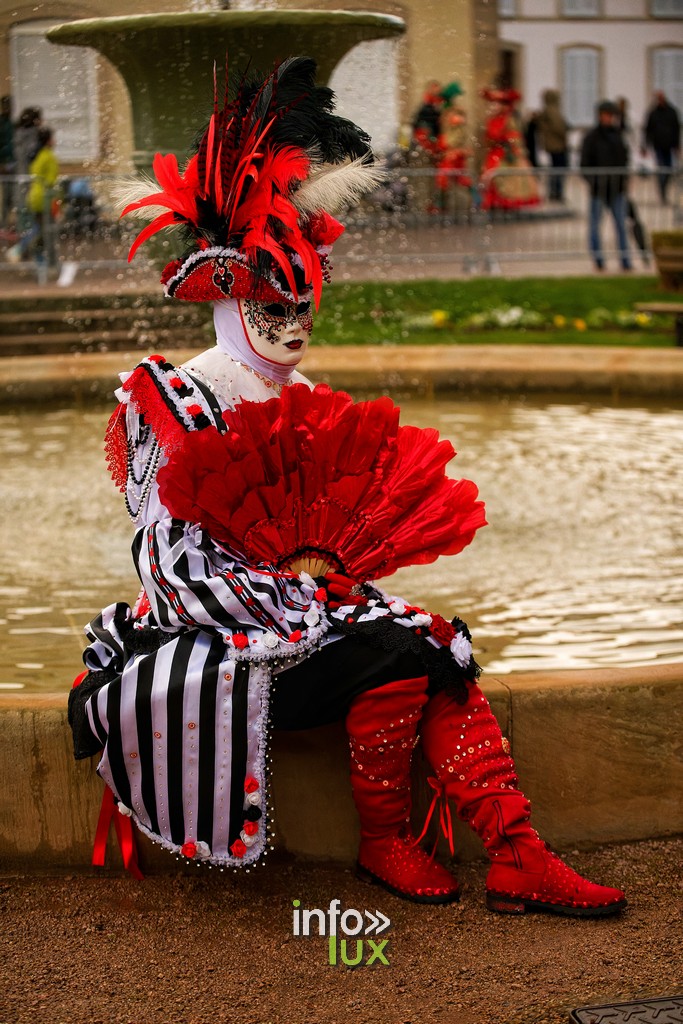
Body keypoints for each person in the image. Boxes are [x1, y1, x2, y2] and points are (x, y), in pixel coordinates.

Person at [68, 56, 626, 917]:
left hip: (294, 626)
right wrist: (313, 604)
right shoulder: (174, 401)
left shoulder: (295, 402)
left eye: (303, 311)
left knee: (434, 645)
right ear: (229, 305)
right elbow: (170, 573)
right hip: (211, 648)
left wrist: (333, 594)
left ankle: (513, 852)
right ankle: (396, 843)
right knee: (405, 646)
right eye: (270, 313)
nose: (291, 328)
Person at [580, 100, 631, 272]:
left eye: (611, 115)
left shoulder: (617, 135)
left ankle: (625, 260)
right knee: (595, 225)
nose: (608, 118)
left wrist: (624, 180)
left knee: (621, 226)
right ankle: (598, 259)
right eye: (606, 115)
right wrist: (594, 181)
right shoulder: (591, 137)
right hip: (598, 189)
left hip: (617, 188)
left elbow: (624, 159)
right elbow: (584, 164)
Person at [7, 126, 60, 281]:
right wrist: (57, 201)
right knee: (44, 232)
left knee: (40, 230)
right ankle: (20, 250)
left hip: (34, 196)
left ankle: (41, 266)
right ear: (48, 140)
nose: (54, 141)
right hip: (44, 197)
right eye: (52, 138)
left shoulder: (37, 155)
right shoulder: (49, 156)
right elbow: (50, 181)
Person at [479, 87, 540, 211]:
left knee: (506, 179)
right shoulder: (493, 120)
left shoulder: (508, 120)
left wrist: (510, 146)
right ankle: (496, 203)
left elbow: (514, 137)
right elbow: (489, 137)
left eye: (497, 103)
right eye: (492, 103)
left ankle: (506, 204)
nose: (493, 106)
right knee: (493, 177)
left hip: (506, 155)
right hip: (496, 153)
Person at [642, 90, 680, 204]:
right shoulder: (653, 113)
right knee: (662, 169)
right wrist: (645, 145)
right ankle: (662, 192)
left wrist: (677, 145)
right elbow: (648, 130)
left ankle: (664, 189)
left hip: (669, 146)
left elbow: (676, 129)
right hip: (658, 146)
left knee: (668, 170)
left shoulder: (672, 112)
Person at [537, 89, 569, 202]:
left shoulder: (546, 111)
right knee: (559, 170)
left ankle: (554, 191)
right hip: (558, 145)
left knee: (555, 169)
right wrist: (565, 132)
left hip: (552, 145)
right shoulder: (553, 111)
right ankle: (557, 192)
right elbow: (559, 127)